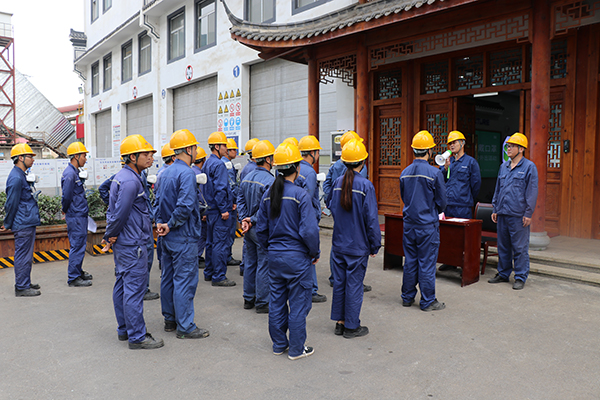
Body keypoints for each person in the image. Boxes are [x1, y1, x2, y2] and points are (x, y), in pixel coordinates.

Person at [256, 142, 320, 361]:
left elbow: (261, 229)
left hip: (275, 257)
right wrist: (314, 252)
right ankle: (296, 349)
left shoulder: (269, 194)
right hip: (297, 258)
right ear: (296, 168)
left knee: (276, 301)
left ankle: (278, 344)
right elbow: (309, 231)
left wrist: (270, 249)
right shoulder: (301, 195)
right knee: (299, 304)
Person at [102, 134, 164, 349]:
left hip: (126, 242)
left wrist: (111, 235)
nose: (150, 157)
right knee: (134, 290)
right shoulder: (130, 181)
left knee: (122, 285)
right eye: (146, 154)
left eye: (151, 154)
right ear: (132, 157)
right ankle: (137, 336)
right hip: (133, 244)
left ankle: (124, 329)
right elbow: (120, 214)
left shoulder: (124, 176)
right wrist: (109, 234)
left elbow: (115, 212)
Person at [156, 129, 209, 339]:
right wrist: (171, 224)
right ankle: (185, 326)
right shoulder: (187, 173)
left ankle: (170, 320)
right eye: (194, 147)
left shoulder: (164, 172)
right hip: (183, 236)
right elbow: (185, 206)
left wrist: (162, 224)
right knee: (184, 281)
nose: (196, 151)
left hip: (167, 236)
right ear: (188, 149)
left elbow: (157, 202)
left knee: (168, 278)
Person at [326, 138, 381, 338]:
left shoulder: (337, 183)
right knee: (354, 286)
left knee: (340, 283)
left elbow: (332, 207)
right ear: (363, 162)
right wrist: (375, 244)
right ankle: (351, 326)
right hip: (357, 246)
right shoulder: (366, 185)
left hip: (339, 243)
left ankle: (339, 323)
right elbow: (371, 219)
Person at [399, 130, 447, 312]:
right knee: (426, 263)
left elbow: (404, 197)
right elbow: (442, 202)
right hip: (427, 225)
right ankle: (428, 301)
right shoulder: (434, 173)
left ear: (414, 150)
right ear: (429, 151)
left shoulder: (404, 173)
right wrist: (433, 211)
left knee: (411, 261)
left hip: (409, 224)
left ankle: (407, 297)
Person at [488, 132, 538, 290]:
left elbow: (532, 192)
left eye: (512, 146)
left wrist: (528, 213)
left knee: (519, 248)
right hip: (503, 213)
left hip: (518, 215)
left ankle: (520, 276)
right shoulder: (503, 167)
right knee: (503, 246)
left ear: (521, 149)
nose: (508, 149)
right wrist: (495, 208)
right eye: (507, 146)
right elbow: (498, 189)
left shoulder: (529, 167)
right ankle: (503, 274)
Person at [323, 131, 371, 292]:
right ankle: (354, 280)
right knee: (354, 243)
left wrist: (331, 204)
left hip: (339, 209)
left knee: (338, 240)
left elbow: (327, 185)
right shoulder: (359, 165)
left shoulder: (336, 165)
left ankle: (335, 277)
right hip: (354, 210)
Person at [238, 140, 276, 314]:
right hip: (261, 228)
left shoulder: (246, 177)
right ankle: (262, 302)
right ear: (267, 159)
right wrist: (252, 219)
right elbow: (267, 208)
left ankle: (248, 298)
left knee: (250, 262)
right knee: (264, 263)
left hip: (248, 228)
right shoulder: (271, 181)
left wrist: (244, 220)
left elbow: (239, 200)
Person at [1, 144, 41, 297]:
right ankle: (22, 287)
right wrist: (7, 223)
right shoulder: (16, 178)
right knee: (23, 255)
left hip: (26, 221)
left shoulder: (21, 175)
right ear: (20, 158)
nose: (33, 159)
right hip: (22, 223)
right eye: (30, 156)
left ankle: (25, 282)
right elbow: (11, 203)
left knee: (26, 255)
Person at [438, 130, 481, 272]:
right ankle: (450, 262)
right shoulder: (448, 161)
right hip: (448, 205)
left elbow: (476, 185)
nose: (451, 145)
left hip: (463, 206)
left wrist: (467, 198)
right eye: (450, 143)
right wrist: (445, 168)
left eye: (454, 142)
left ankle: (465, 265)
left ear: (462, 143)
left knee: (464, 238)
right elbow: (440, 180)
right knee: (448, 236)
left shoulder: (471, 162)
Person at [201, 131, 236, 286]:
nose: (226, 149)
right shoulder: (219, 164)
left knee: (210, 243)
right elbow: (220, 189)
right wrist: (224, 209)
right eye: (224, 146)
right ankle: (219, 276)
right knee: (220, 244)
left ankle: (209, 272)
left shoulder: (207, 163)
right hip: (219, 211)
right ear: (217, 146)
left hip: (210, 210)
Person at [296, 135, 327, 303]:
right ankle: (312, 290)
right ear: (312, 153)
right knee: (310, 253)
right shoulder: (309, 173)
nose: (319, 155)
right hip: (307, 219)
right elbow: (307, 200)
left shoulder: (296, 168)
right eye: (318, 152)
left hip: (293, 218)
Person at [61, 142, 93, 287]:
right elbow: (66, 197)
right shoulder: (70, 174)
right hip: (75, 216)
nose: (85, 159)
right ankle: (73, 277)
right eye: (84, 156)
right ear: (76, 156)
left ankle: (78, 271)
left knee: (80, 245)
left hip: (79, 215)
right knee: (77, 246)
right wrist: (65, 210)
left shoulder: (74, 172)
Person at [238, 137, 259, 277]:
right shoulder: (256, 170)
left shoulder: (246, 168)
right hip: (254, 216)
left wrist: (243, 217)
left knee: (248, 244)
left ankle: (244, 267)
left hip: (247, 214)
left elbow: (241, 196)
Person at [154, 144, 175, 271]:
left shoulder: (161, 172)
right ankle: (164, 263)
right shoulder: (168, 173)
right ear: (173, 158)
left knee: (162, 237)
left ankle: (162, 262)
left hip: (161, 209)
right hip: (166, 210)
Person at [223, 138, 242, 268]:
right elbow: (232, 186)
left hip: (223, 204)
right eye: (234, 149)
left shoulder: (221, 163)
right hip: (229, 205)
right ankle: (227, 257)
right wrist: (234, 201)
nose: (236, 152)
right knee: (228, 233)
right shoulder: (228, 166)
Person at [191, 148, 208, 269]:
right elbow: (201, 195)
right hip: (199, 211)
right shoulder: (199, 175)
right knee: (201, 235)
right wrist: (204, 212)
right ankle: (196, 256)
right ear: (203, 159)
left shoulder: (191, 171)